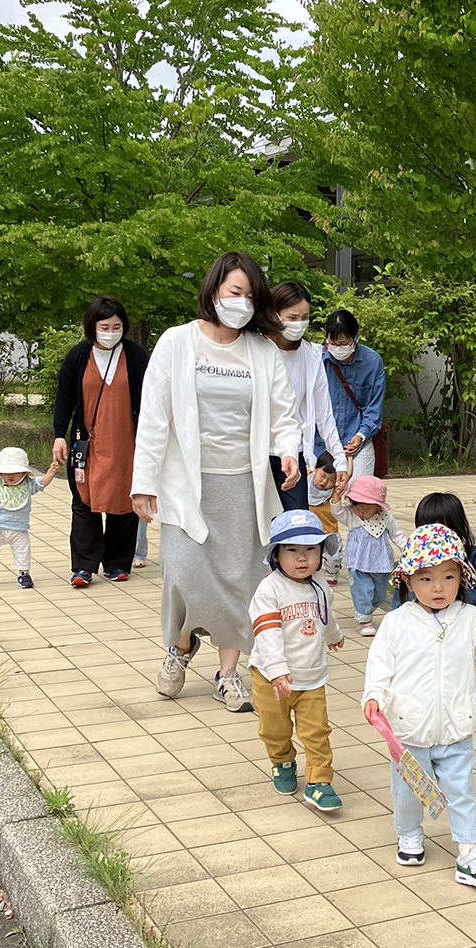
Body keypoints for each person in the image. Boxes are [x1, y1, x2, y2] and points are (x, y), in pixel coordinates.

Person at [131, 251, 301, 714]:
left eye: (250, 296)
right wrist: (142, 481)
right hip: (187, 483)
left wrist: (288, 450)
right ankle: (182, 643)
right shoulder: (175, 343)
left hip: (243, 484)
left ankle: (229, 673)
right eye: (234, 292)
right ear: (213, 292)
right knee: (183, 573)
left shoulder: (263, 352)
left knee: (241, 579)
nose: (242, 303)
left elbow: (285, 414)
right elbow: (153, 417)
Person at [362, 523, 476, 887]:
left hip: (456, 726)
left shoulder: (469, 618)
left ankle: (470, 852)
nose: (438, 587)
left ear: (463, 577)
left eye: (448, 576)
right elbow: (379, 666)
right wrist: (374, 695)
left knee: (460, 790)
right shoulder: (395, 624)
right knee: (409, 789)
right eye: (425, 579)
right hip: (409, 729)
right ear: (408, 583)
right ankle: (409, 831)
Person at [249, 510, 345, 812]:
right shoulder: (270, 589)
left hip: (312, 677)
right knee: (274, 729)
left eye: (311, 550)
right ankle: (282, 760)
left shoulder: (320, 586)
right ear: (276, 554)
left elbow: (326, 617)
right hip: (270, 678)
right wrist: (277, 670)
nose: (302, 558)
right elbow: (267, 632)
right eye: (292, 550)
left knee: (317, 732)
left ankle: (319, 782)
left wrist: (334, 636)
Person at [53, 296, 149, 588]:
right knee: (84, 500)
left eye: (117, 326)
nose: (111, 331)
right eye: (104, 326)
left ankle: (118, 563)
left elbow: (152, 398)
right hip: (87, 443)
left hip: (127, 442)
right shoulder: (78, 356)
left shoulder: (135, 355)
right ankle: (83, 566)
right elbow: (65, 398)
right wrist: (59, 434)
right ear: (92, 327)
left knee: (124, 499)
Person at [266, 281, 349, 509]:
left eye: (305, 317)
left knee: (296, 527)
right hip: (256, 454)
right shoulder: (257, 349)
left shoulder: (312, 356)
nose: (299, 324)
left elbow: (324, 415)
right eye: (292, 318)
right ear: (274, 315)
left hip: (293, 454)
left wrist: (340, 460)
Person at [392, 492, 476, 609]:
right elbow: (400, 597)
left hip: (462, 618)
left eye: (444, 530)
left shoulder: (463, 553)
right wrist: (395, 622)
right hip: (423, 620)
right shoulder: (413, 558)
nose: (437, 535)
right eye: (429, 528)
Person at [0, 447, 62, 589]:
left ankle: (24, 574)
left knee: (23, 552)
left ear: (24, 472)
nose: (11, 476)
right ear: (0, 472)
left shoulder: (28, 485)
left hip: (20, 529)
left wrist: (52, 471)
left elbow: (43, 483)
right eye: (7, 472)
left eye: (16, 472)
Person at [331, 475, 406, 636]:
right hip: (358, 562)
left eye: (367, 509)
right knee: (363, 590)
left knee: (379, 593)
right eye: (358, 507)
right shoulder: (352, 516)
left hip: (381, 562)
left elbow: (397, 534)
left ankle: (364, 610)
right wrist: (337, 494)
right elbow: (336, 511)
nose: (361, 513)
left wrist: (406, 548)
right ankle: (364, 620)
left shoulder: (386, 517)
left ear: (379, 507)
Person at [320, 309, 385, 481]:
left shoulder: (372, 361)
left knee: (359, 499)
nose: (338, 348)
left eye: (344, 343)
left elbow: (374, 408)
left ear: (355, 338)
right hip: (321, 445)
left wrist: (361, 435)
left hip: (357, 444)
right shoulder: (316, 359)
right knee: (318, 501)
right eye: (333, 343)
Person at [308, 450, 351, 585]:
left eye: (331, 480)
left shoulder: (335, 490)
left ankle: (332, 573)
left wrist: (348, 459)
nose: (325, 482)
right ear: (315, 468)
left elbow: (348, 474)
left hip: (329, 530)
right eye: (322, 476)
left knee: (333, 556)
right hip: (310, 530)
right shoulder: (306, 479)